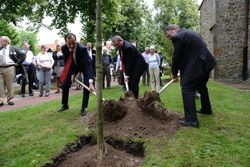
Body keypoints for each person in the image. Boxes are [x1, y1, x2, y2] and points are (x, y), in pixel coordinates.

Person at [165, 24, 216, 128]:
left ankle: (191, 121)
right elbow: (203, 45)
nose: (170, 38)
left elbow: (177, 56)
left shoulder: (178, 36)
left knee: (187, 89)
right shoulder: (191, 33)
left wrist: (174, 73)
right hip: (207, 63)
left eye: (169, 35)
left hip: (199, 65)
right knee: (201, 86)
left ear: (174, 30)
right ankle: (206, 109)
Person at [58, 33, 95, 117]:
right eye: (69, 44)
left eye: (73, 43)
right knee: (65, 84)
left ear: (76, 41)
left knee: (86, 86)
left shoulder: (82, 49)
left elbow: (88, 66)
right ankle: (65, 105)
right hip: (73, 67)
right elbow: (67, 61)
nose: (71, 45)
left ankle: (83, 108)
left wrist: (90, 82)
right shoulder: (64, 48)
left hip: (85, 66)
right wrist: (73, 74)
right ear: (65, 42)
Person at [0, 36, 25, 106]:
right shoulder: (0, 49)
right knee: (0, 84)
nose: (0, 42)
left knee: (9, 84)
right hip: (0, 68)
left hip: (10, 67)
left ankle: (9, 99)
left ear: (6, 41)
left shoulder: (13, 48)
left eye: (1, 41)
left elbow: (23, 55)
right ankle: (1, 100)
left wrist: (17, 63)